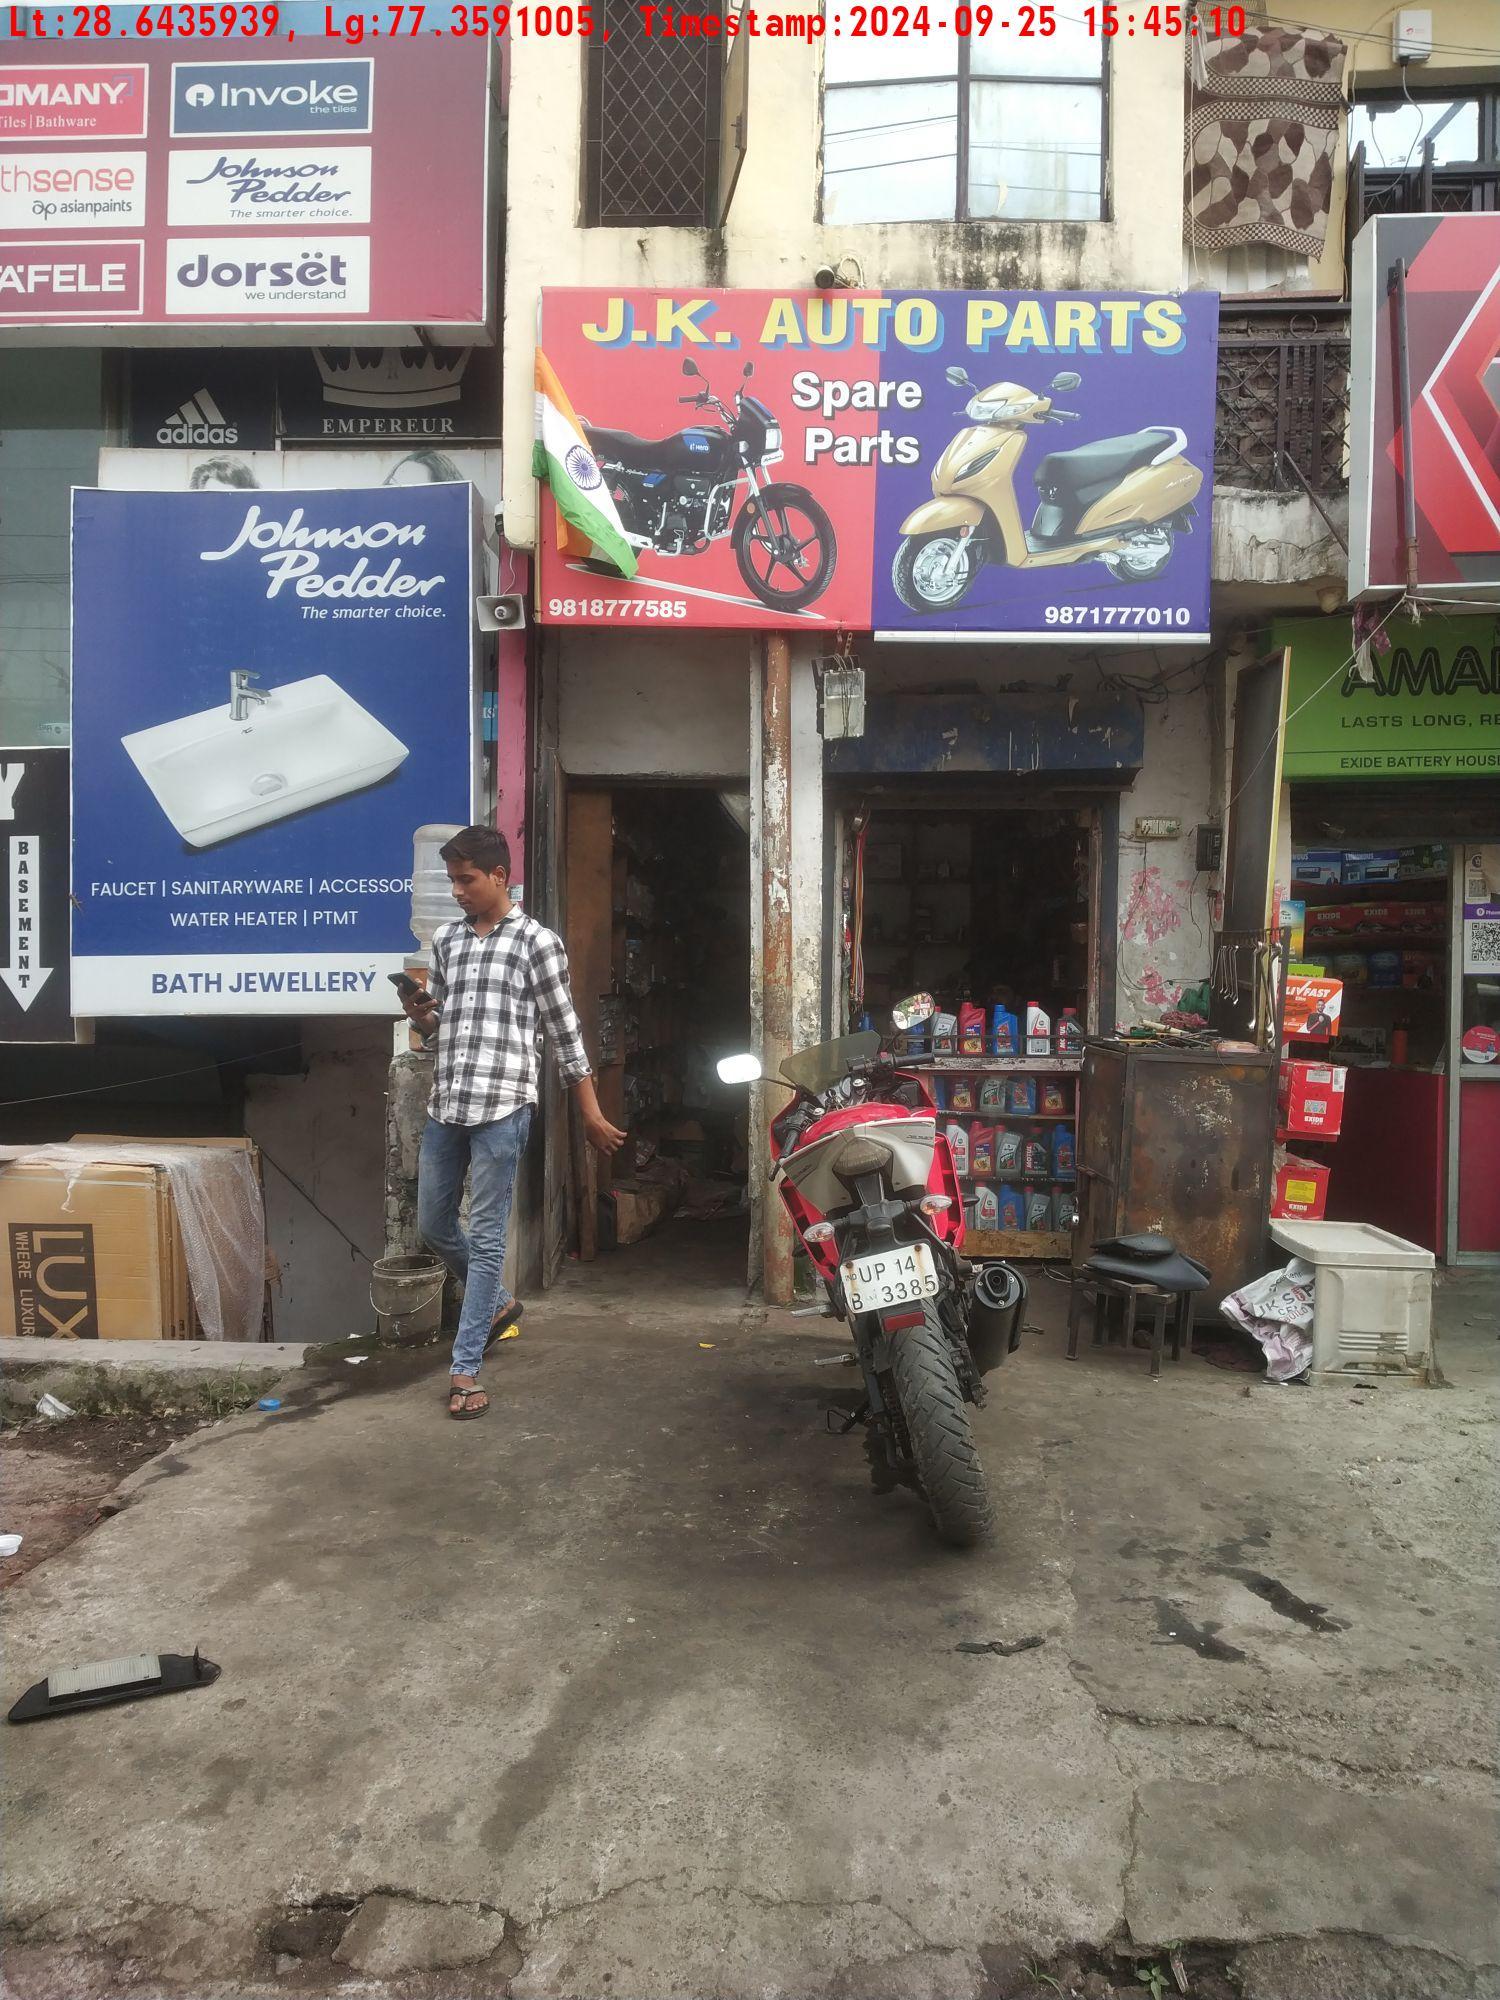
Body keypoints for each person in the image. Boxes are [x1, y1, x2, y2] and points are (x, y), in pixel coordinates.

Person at [399, 825, 625, 1420]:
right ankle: (497, 1303)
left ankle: (465, 1365)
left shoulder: (536, 943)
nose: (457, 891)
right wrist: (419, 1017)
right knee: (434, 1225)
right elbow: (440, 1027)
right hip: (447, 1104)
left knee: (487, 1237)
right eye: (452, 881)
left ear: (500, 877)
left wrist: (590, 1113)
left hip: (503, 1108)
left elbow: (565, 1033)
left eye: (466, 880)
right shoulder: (447, 941)